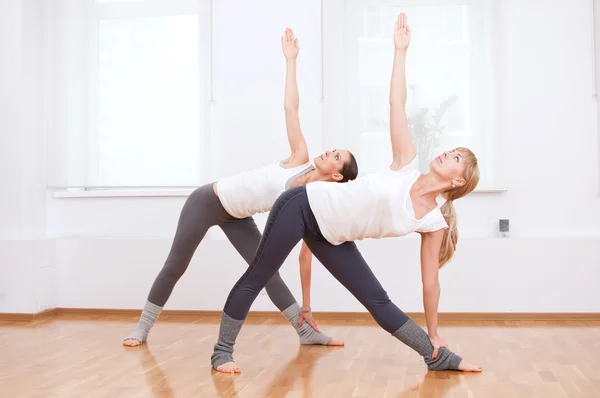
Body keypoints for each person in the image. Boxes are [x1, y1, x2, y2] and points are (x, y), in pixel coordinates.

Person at [210, 13, 482, 374]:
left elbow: (430, 283)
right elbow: (396, 105)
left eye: (457, 157)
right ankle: (222, 352)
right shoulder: (406, 163)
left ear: (457, 182)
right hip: (303, 206)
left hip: (334, 235)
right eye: (453, 149)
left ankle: (436, 357)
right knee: (260, 274)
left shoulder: (433, 223)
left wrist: (434, 333)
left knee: (377, 300)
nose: (449, 152)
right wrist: (400, 52)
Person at [123, 28, 358, 348]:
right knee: (176, 264)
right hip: (208, 200)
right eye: (333, 149)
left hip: (238, 217)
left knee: (268, 272)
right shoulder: (299, 158)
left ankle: (305, 331)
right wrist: (291, 62)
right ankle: (142, 328)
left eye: (335, 156)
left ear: (336, 176)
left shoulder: (312, 199)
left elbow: (307, 256)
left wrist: (307, 306)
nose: (329, 151)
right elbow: (291, 109)